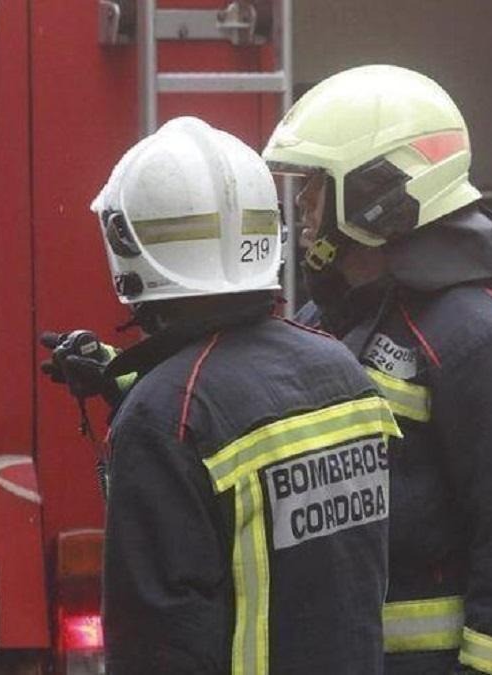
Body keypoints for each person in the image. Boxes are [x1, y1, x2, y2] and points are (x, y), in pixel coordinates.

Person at [48, 117, 397, 672]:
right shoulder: (341, 371)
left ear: (127, 244)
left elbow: (158, 641)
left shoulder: (165, 417)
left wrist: (144, 400)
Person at [262, 65, 492, 674]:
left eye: (317, 186)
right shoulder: (329, 318)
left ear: (376, 194)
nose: (301, 207)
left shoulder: (479, 342)